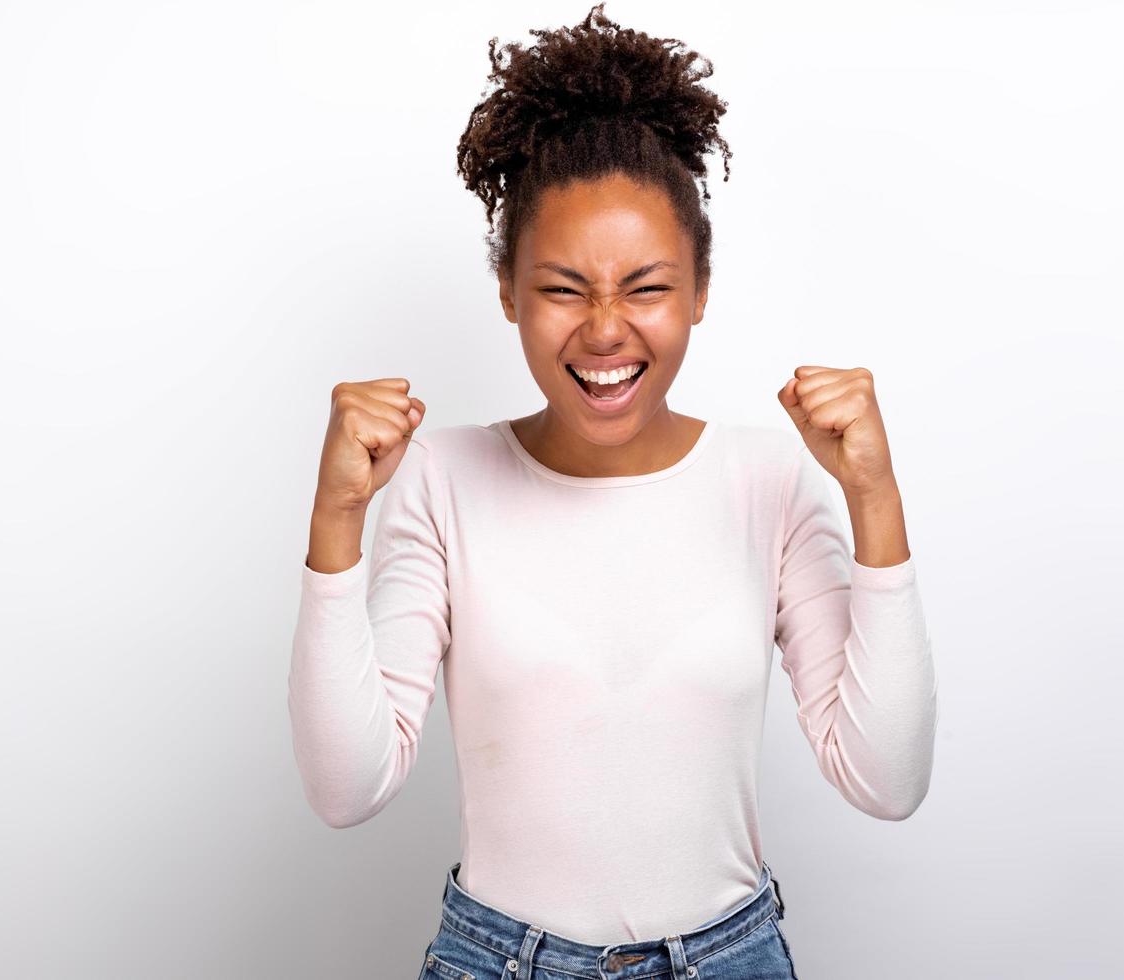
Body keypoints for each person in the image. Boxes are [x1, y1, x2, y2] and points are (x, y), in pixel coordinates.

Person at [287, 4, 938, 977]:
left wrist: (873, 499)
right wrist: (337, 521)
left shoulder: (767, 480)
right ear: (506, 289)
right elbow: (347, 784)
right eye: (560, 287)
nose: (603, 330)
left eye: (645, 286)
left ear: (698, 290)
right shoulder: (442, 479)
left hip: (731, 955)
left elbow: (884, 779)